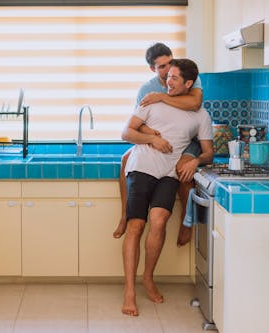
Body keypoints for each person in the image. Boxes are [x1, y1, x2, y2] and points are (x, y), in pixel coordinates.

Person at [121, 58, 214, 316]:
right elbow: (126, 133)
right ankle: (130, 290)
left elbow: (209, 152)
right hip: (143, 166)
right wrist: (152, 139)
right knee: (136, 225)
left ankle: (148, 278)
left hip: (169, 172)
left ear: (189, 83)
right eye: (167, 76)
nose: (168, 81)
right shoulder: (151, 102)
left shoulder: (200, 114)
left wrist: (195, 160)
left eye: (174, 78)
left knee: (159, 220)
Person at [113, 43, 204, 247]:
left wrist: (161, 97)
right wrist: (153, 136)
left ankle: (186, 223)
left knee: (183, 170)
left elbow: (195, 103)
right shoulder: (146, 88)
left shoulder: (188, 78)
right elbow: (137, 123)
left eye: (170, 62)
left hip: (188, 140)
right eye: (161, 66)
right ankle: (125, 215)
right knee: (125, 159)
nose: (167, 69)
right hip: (162, 140)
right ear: (152, 69)